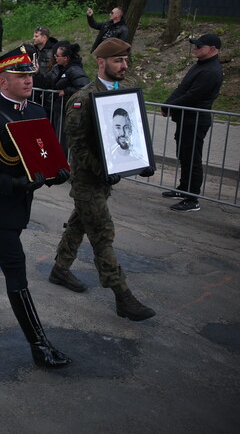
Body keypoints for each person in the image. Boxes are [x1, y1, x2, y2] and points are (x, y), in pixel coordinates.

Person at [0, 45, 71, 368]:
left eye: (29, 75)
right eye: (20, 76)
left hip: (21, 205)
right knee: (15, 267)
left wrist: (57, 175)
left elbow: (43, 158)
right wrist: (14, 184)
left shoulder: (36, 112)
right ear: (3, 82)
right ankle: (39, 345)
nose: (28, 80)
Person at [50, 38, 156, 321]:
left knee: (79, 224)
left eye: (125, 60)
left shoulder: (121, 95)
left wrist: (140, 162)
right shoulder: (83, 99)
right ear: (101, 62)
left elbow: (129, 135)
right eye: (118, 60)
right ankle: (122, 295)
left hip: (104, 179)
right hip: (88, 181)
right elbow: (77, 146)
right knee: (102, 232)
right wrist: (104, 170)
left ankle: (60, 269)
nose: (124, 65)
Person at [161, 33, 224, 212]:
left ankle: (192, 198)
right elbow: (182, 88)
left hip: (196, 120)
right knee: (184, 155)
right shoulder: (200, 65)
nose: (195, 48)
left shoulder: (211, 71)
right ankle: (183, 189)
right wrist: (167, 104)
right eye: (195, 44)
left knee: (192, 158)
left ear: (212, 49)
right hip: (186, 119)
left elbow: (193, 96)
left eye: (199, 46)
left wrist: (170, 107)